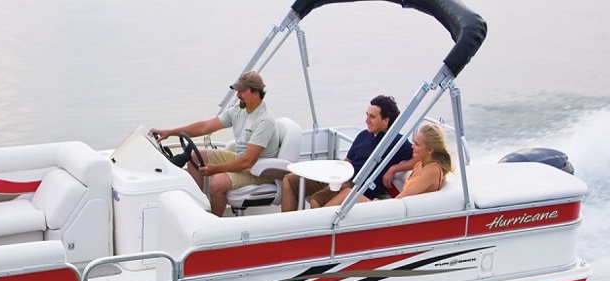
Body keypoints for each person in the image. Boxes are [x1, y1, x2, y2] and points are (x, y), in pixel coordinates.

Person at [151, 71, 280, 216]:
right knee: (195, 156)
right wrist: (170, 132)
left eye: (242, 91)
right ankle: (197, 210)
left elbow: (248, 161)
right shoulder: (238, 110)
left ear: (255, 92)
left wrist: (216, 169)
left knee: (217, 182)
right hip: (241, 159)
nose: (237, 95)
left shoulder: (264, 121)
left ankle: (215, 224)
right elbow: (204, 127)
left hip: (260, 172)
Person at [281, 95, 415, 211]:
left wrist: (394, 169)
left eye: (372, 117)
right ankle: (286, 227)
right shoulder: (364, 135)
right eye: (367, 115)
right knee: (290, 180)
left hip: (355, 186)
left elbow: (418, 158)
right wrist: (329, 175)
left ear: (386, 120)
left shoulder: (397, 142)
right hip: (341, 177)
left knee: (317, 200)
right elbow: (348, 160)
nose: (366, 120)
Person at [393, 123, 453, 199]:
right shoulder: (418, 165)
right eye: (414, 143)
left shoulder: (433, 170)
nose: (412, 146)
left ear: (430, 150)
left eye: (417, 144)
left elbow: (407, 194)